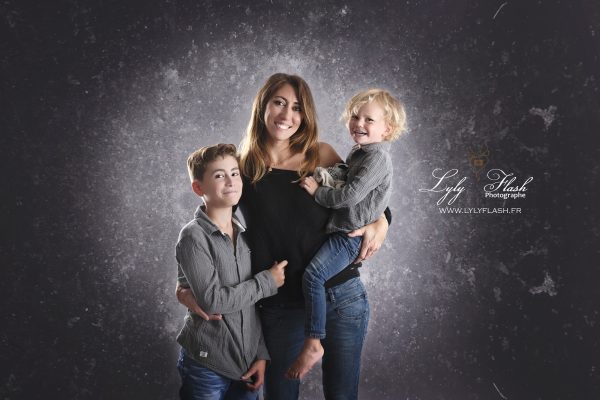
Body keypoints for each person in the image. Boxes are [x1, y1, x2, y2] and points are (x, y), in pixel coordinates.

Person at [177, 73, 391, 400]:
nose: (287, 115)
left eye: (297, 108)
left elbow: (366, 197)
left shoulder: (320, 155)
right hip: (280, 305)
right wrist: (183, 286)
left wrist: (383, 223)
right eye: (279, 102)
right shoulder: (243, 166)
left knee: (342, 396)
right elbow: (210, 224)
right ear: (263, 106)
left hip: (340, 296)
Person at [286, 89, 407, 380]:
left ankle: (314, 342)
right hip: (342, 231)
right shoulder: (359, 152)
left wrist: (318, 191)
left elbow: (349, 197)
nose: (359, 123)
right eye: (355, 116)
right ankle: (313, 338)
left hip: (349, 235)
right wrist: (330, 175)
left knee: (314, 276)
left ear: (387, 129)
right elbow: (347, 180)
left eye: (369, 119)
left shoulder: (377, 158)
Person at [175, 143, 288, 400]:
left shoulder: (246, 236)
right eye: (219, 175)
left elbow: (250, 308)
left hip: (246, 363)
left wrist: (260, 354)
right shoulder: (193, 236)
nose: (231, 181)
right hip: (207, 364)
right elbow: (213, 302)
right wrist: (266, 282)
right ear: (198, 188)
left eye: (234, 173)